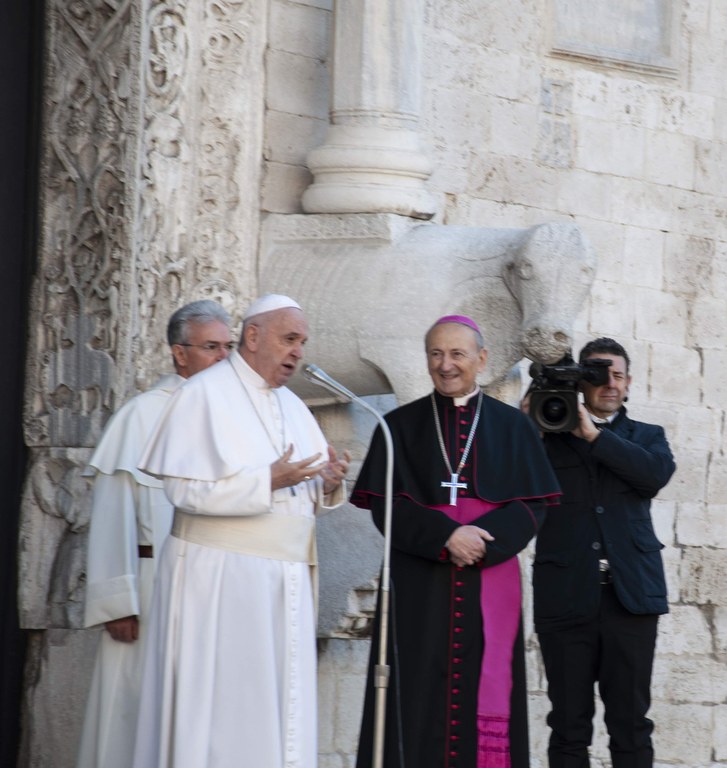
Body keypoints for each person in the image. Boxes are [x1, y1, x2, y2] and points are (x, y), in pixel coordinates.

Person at [132, 294, 351, 768]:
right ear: (252, 337)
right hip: (217, 584)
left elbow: (300, 497)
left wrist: (326, 484)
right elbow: (184, 493)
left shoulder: (294, 406)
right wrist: (266, 480)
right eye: (289, 339)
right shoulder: (201, 396)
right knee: (222, 714)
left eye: (303, 342)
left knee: (278, 712)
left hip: (284, 587)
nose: (298, 351)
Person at [351, 315, 561, 768]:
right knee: (412, 692)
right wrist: (446, 536)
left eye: (457, 354)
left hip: (490, 579)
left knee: (487, 691)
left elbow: (533, 506)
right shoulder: (399, 427)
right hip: (418, 584)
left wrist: (483, 543)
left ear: (481, 359)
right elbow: (388, 507)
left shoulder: (514, 427)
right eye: (436, 354)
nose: (446, 365)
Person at [76, 300, 234, 768]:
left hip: (211, 589)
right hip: (148, 588)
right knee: (131, 714)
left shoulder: (236, 418)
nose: (223, 358)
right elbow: (113, 511)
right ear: (179, 353)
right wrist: (117, 601)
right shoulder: (142, 415)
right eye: (211, 347)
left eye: (229, 347)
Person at [532, 337, 676, 768]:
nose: (609, 384)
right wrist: (525, 417)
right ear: (581, 382)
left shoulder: (648, 438)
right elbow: (512, 476)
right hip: (565, 598)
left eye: (617, 375)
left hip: (630, 600)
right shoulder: (546, 439)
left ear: (629, 382)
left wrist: (592, 435)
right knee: (568, 726)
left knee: (630, 725)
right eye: (597, 375)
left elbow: (652, 476)